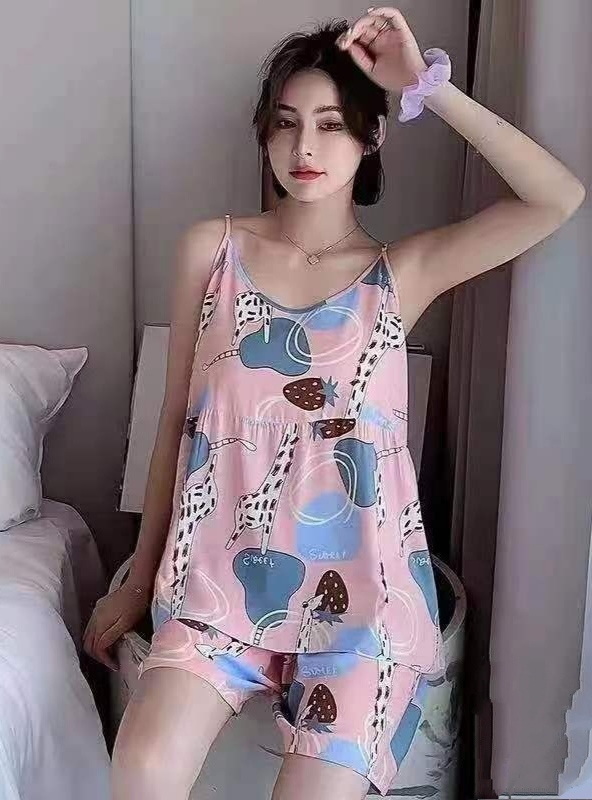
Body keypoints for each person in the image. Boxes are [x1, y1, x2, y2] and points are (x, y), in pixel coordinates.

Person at [84, 8, 585, 800]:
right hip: (218, 590)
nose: (305, 149)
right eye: (286, 124)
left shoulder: (400, 274)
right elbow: (176, 425)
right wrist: (140, 580)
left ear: (372, 135)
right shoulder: (213, 251)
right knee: (141, 773)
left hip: (362, 608)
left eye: (330, 124)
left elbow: (557, 197)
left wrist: (427, 87)